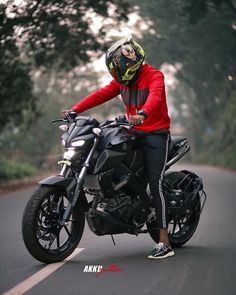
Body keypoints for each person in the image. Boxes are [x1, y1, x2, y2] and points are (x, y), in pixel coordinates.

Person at [62, 36, 174, 259]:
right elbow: (100, 94)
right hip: (134, 133)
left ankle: (164, 243)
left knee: (156, 182)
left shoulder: (154, 76)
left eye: (118, 68)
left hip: (156, 135)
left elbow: (155, 96)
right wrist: (75, 109)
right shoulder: (122, 82)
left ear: (130, 64)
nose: (116, 74)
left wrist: (143, 114)